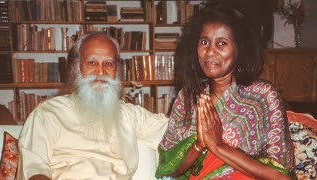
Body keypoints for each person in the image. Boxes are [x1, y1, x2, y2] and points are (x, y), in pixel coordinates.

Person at [156, 1, 295, 179]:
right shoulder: (187, 98)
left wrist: (218, 146)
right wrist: (198, 146)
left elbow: (281, 176)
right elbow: (169, 173)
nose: (210, 52)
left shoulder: (263, 97)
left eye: (222, 43)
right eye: (204, 42)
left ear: (239, 50)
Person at [17, 32, 169, 180]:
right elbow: (34, 169)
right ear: (77, 68)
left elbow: (175, 132)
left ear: (116, 71)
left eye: (108, 64)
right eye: (91, 63)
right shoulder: (49, 113)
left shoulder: (131, 115)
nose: (100, 72)